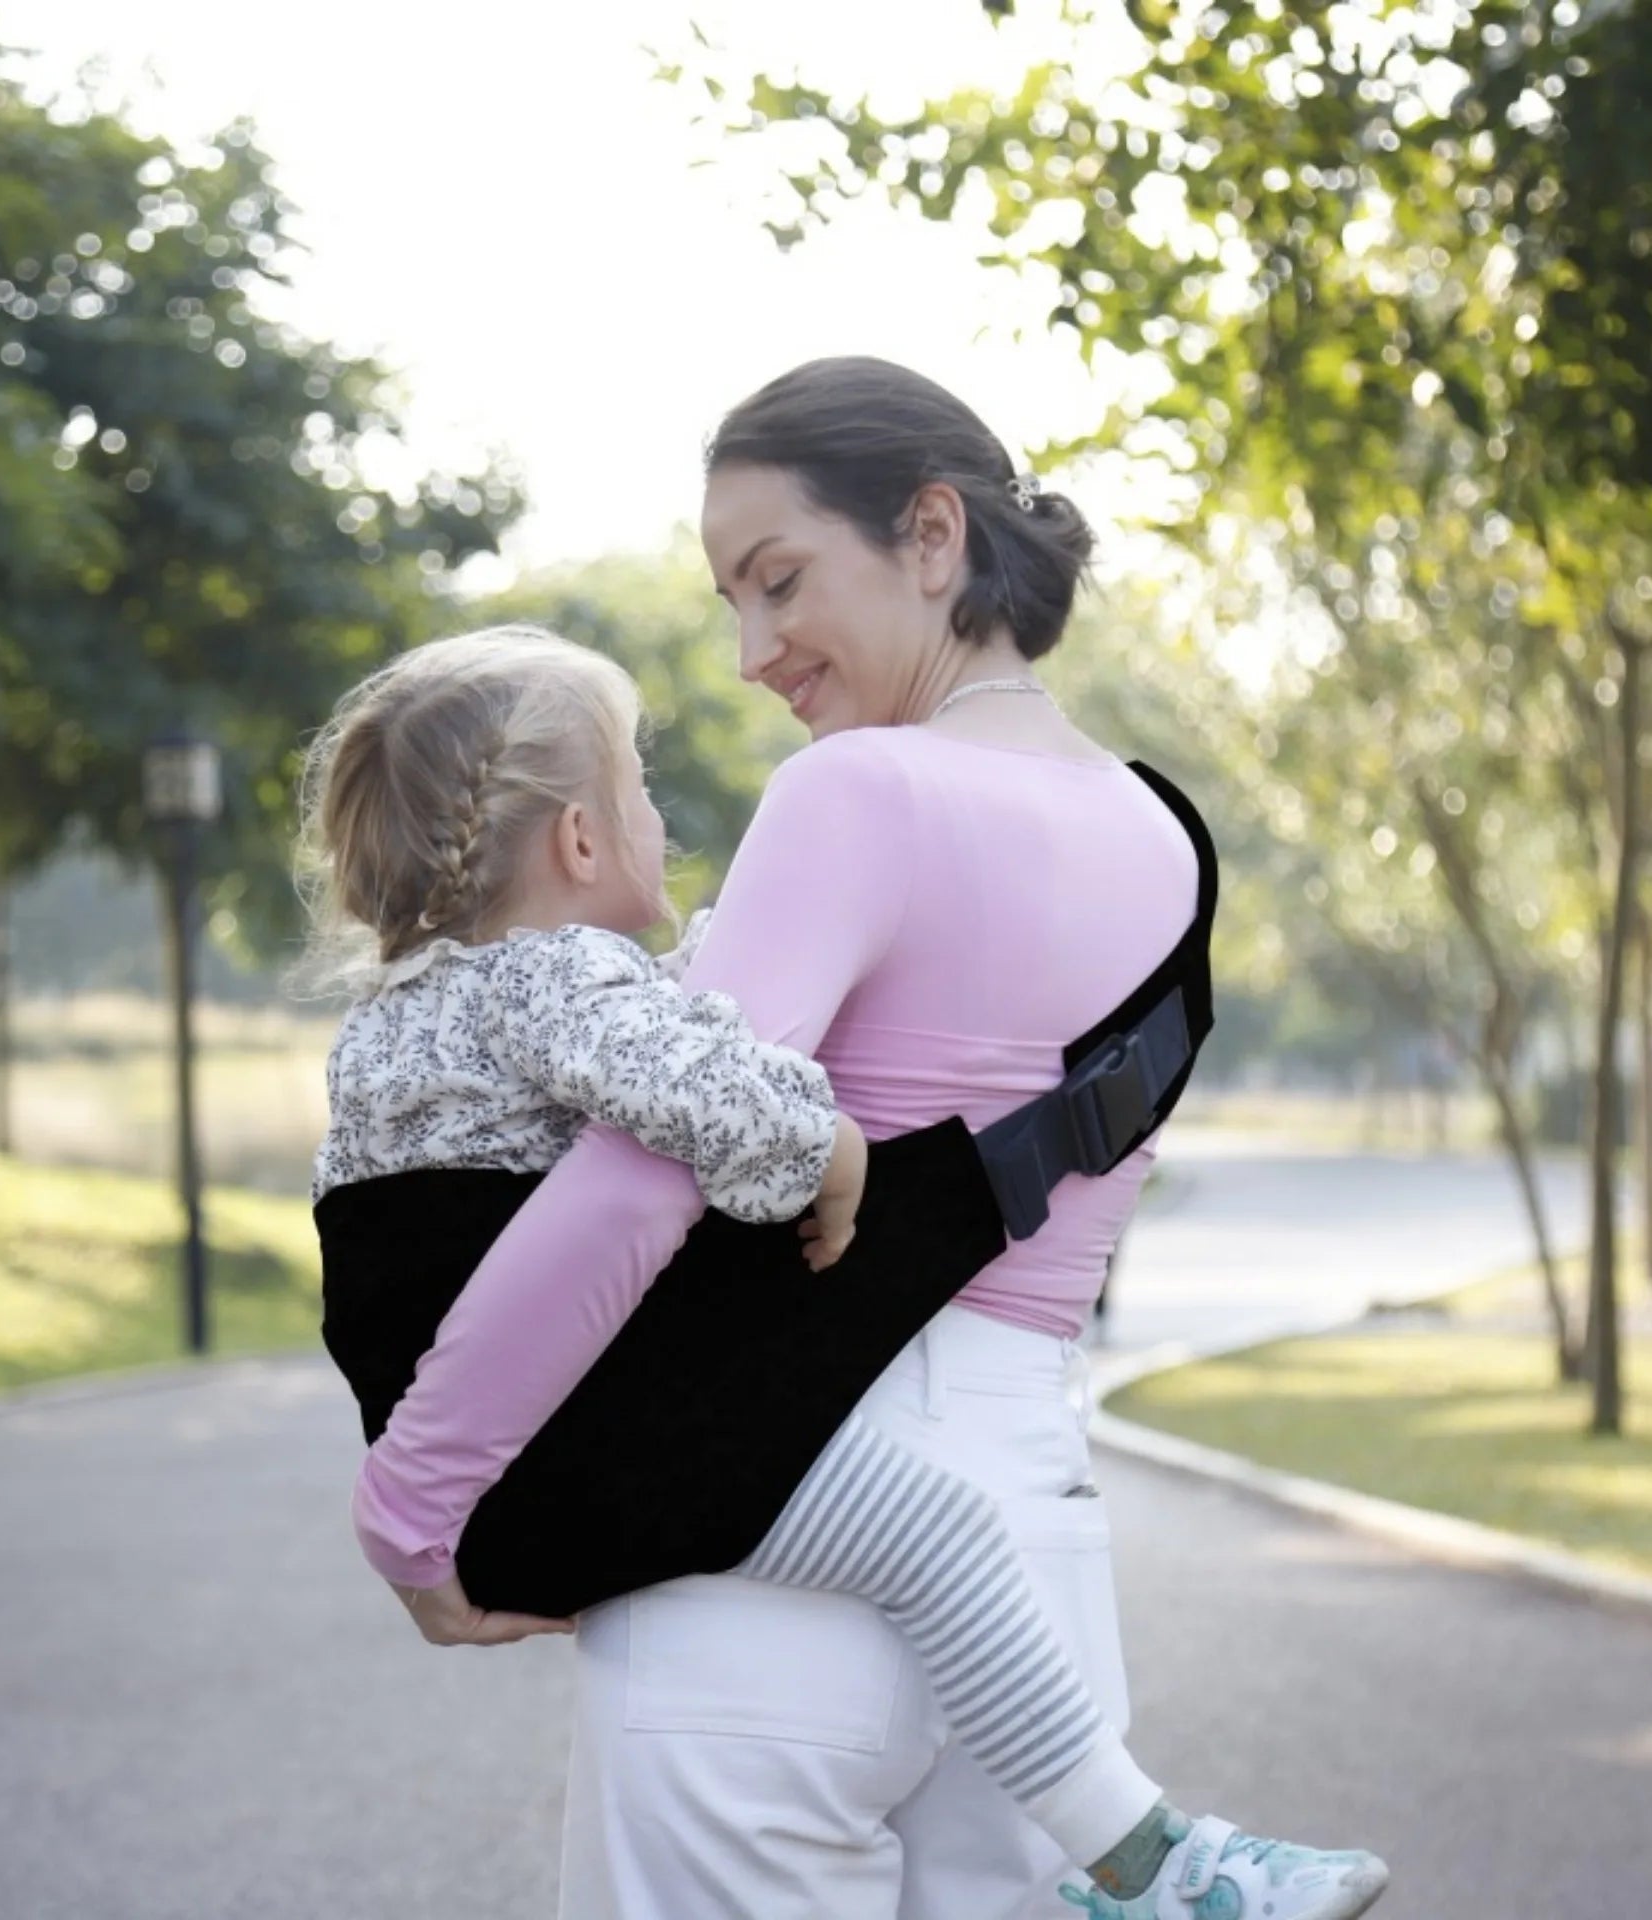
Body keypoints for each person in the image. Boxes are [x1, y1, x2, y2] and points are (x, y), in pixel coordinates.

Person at [344, 358, 1391, 1920]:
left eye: (779, 585)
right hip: (1029, 1572)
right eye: (731, 606)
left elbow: (641, 1184)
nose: (757, 654)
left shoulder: (856, 794)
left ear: (931, 534)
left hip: (762, 1531)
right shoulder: (1169, 832)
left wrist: (419, 1509)